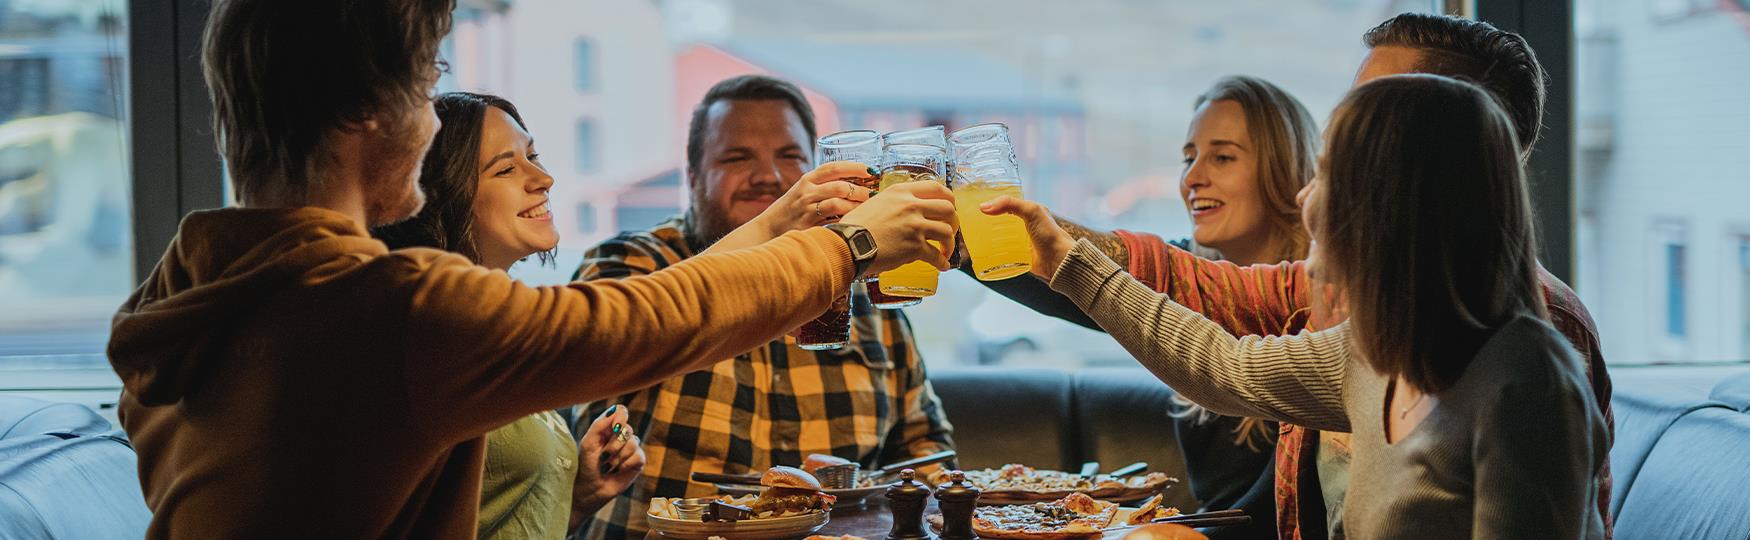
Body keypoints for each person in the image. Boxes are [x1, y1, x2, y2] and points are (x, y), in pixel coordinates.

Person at [103, 1, 959, 537]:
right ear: (368, 108)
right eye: (426, 79)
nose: (437, 120)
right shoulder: (390, 310)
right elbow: (647, 319)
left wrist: (781, 222)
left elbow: (654, 301)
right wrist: (848, 245)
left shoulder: (189, 289)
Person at [984, 13, 1613, 539]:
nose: (1307, 198)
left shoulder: (1526, 377)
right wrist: (1058, 257)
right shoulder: (1371, 347)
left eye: (1334, 169)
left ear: (1419, 168)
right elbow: (1223, 367)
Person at [571, 75, 957, 540]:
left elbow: (926, 452)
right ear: (693, 179)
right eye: (737, 157)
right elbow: (590, 417)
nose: (770, 176)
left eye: (790, 157)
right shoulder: (632, 264)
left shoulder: (864, 283)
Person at [371, 92, 647, 540]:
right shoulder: (429, 333)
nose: (544, 178)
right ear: (439, 197)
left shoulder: (489, 324)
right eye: (506, 168)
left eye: (533, 155)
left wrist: (578, 495)